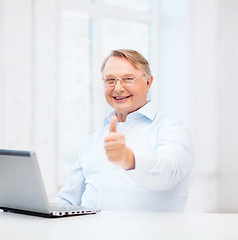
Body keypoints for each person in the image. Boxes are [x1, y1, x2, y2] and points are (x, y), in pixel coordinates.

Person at [54, 49, 194, 212]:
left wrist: (128, 159)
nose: (118, 88)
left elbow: (168, 173)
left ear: (148, 83)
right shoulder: (92, 140)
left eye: (128, 79)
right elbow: (68, 200)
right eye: (110, 80)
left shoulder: (172, 129)